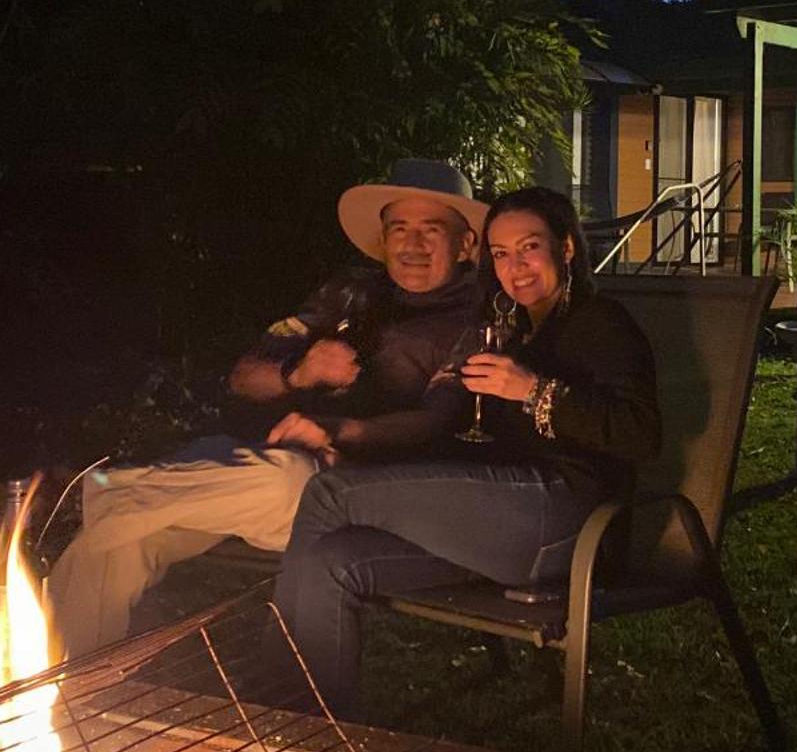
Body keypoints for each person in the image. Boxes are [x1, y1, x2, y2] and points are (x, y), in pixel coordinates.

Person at [46, 160, 485, 658]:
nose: (413, 245)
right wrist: (299, 374)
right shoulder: (349, 292)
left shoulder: (474, 319)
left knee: (283, 482)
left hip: (341, 495)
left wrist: (336, 430)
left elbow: (437, 421)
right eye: (399, 229)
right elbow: (244, 378)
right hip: (243, 471)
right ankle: (46, 692)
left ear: (466, 244)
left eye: (432, 230)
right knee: (120, 539)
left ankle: (70, 500)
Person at [274, 186, 660, 721]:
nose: (515, 268)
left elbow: (640, 434)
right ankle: (321, 736)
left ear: (566, 248)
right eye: (501, 254)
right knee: (332, 561)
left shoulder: (601, 322)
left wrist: (532, 390)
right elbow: (470, 437)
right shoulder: (512, 329)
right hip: (504, 523)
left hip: (571, 521)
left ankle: (282, 711)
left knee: (329, 494)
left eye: (529, 247)